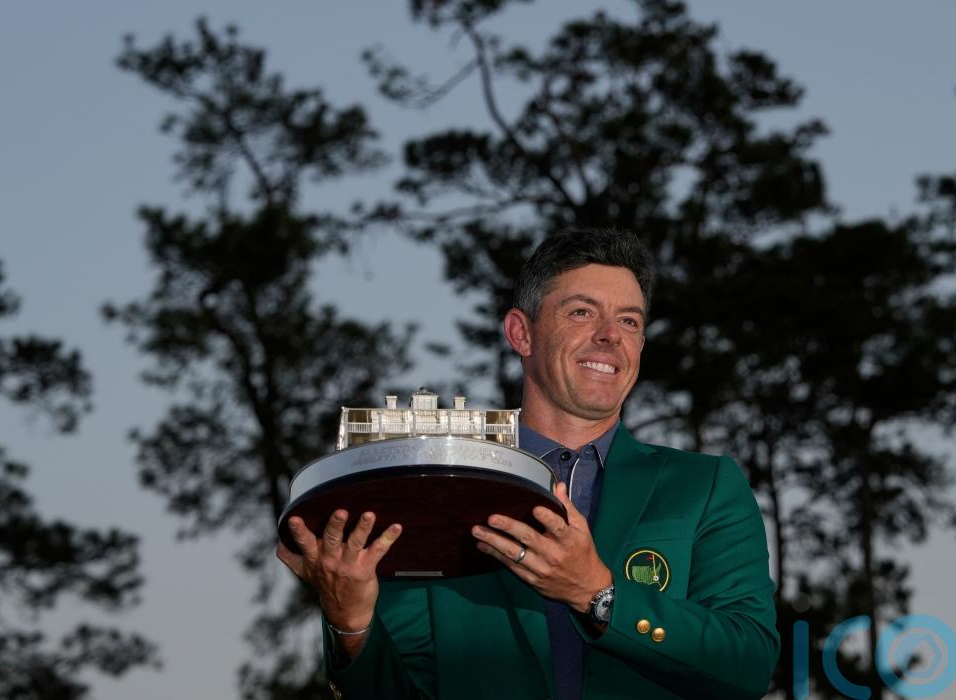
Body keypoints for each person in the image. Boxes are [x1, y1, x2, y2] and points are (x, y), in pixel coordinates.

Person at [277, 227, 778, 699]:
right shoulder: (434, 487)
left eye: (629, 320)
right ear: (521, 333)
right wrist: (350, 624)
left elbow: (749, 666)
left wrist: (599, 594)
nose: (611, 335)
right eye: (582, 312)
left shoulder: (703, 487)